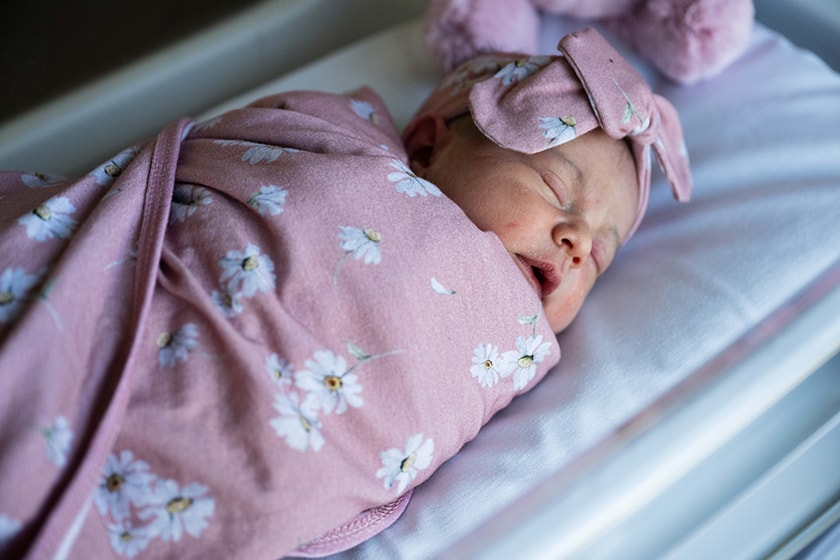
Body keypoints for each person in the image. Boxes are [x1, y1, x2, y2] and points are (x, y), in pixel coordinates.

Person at [0, 28, 689, 558]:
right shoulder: (331, 151)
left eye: (599, 251)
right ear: (425, 147)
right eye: (556, 190)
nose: (575, 239)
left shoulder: (507, 343)